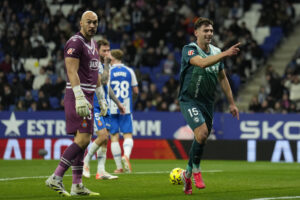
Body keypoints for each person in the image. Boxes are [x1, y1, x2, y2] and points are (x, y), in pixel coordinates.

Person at [45, 11, 105, 196]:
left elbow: (95, 76)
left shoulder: (93, 44)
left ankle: (77, 185)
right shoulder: (75, 42)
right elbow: (71, 71)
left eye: (95, 22)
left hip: (88, 96)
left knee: (82, 141)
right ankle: (56, 177)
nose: (92, 25)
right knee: (84, 139)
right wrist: (79, 96)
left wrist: (101, 98)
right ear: (81, 23)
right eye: (89, 22)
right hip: (77, 96)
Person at [178, 17, 240, 195]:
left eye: (211, 31)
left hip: (207, 102)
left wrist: (232, 103)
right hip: (189, 99)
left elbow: (222, 78)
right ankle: (196, 169)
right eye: (205, 31)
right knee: (203, 132)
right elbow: (202, 63)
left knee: (202, 138)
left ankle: (187, 175)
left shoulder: (216, 51)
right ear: (196, 32)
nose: (209, 34)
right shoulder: (189, 50)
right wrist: (226, 54)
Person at [83, 39, 125, 180]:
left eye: (109, 50)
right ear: (97, 50)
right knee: (102, 136)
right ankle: (86, 161)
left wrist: (118, 103)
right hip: (95, 105)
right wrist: (107, 63)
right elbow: (104, 80)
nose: (108, 53)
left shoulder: (102, 65)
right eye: (104, 51)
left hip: (104, 106)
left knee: (104, 140)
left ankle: (101, 171)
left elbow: (107, 89)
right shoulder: (95, 64)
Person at [109, 49, 139, 173]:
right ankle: (126, 156)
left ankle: (119, 167)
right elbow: (136, 91)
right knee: (127, 135)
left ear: (113, 58)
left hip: (111, 107)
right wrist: (130, 102)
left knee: (114, 137)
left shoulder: (108, 71)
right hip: (126, 108)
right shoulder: (129, 71)